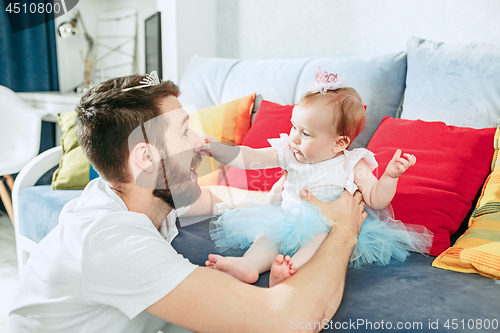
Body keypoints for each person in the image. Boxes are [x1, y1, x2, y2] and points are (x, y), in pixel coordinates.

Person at [9, 71, 367, 333]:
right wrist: (344, 229)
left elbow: (211, 197)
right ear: (146, 157)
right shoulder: (112, 241)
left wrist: (273, 201)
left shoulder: (132, 192)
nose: (200, 141)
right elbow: (289, 320)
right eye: (184, 131)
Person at [206, 67, 433, 287]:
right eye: (294, 127)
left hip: (327, 227)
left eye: (305, 133)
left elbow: (376, 199)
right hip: (286, 219)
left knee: (320, 243)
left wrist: (390, 177)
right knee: (265, 237)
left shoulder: (352, 162)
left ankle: (291, 270)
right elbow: (251, 157)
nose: (294, 138)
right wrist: (219, 150)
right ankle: (249, 265)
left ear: (339, 143)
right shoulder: (289, 151)